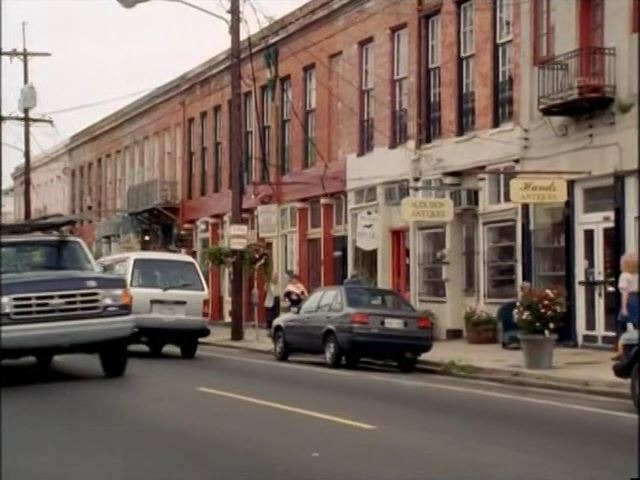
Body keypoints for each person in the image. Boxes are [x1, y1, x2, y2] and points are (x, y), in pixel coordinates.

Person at [614, 253, 639, 359]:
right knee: (637, 324)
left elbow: (625, 293)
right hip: (637, 298)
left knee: (621, 325)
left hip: (630, 300)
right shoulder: (636, 275)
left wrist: (624, 307)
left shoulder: (624, 275)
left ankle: (621, 350)